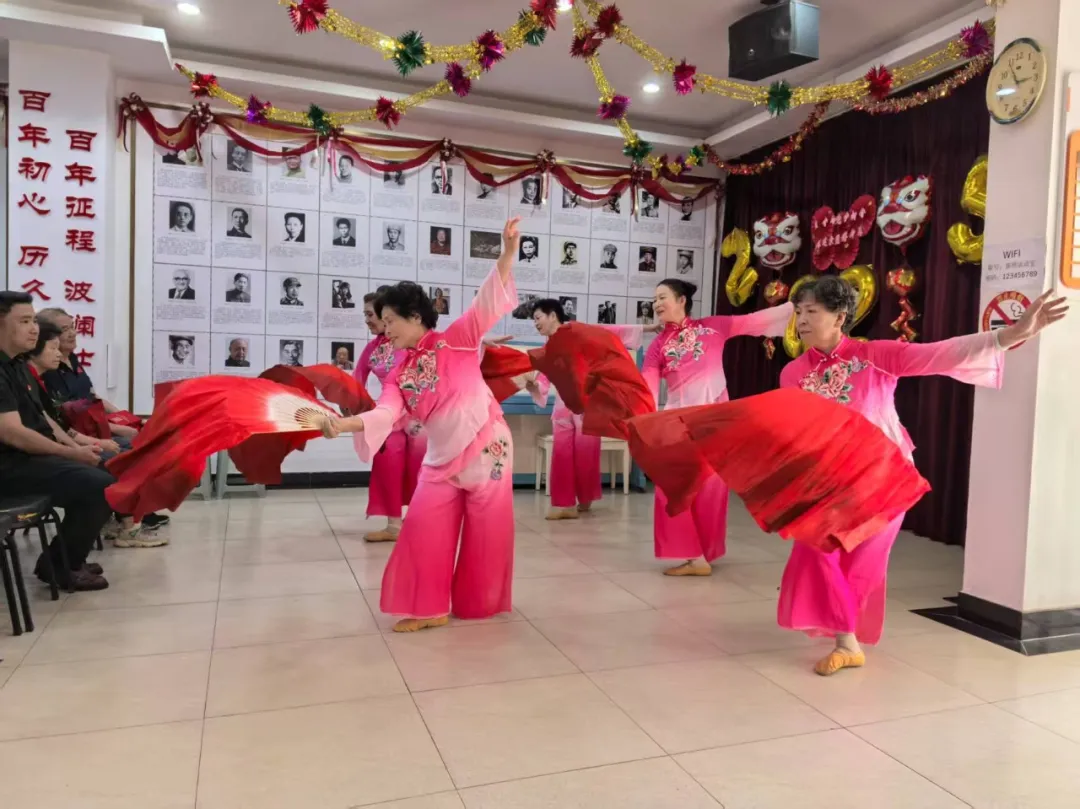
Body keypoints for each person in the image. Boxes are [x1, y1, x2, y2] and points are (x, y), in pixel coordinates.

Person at [778, 277, 1067, 675]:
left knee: (862, 562)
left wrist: (1010, 335)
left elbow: (940, 354)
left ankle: (846, 641)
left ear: (840, 317)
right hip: (827, 482)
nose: (802, 320)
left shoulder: (875, 355)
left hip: (884, 479)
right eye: (798, 312)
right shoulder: (793, 372)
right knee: (816, 552)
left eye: (812, 311)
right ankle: (844, 636)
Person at [323, 218, 523, 632]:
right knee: (422, 527)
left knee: (487, 530)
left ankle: (481, 603)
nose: (385, 329)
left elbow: (487, 299)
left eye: (390, 320)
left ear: (415, 317)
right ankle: (429, 607)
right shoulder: (399, 373)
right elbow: (385, 414)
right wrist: (343, 426)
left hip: (487, 446)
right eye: (382, 322)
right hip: (440, 459)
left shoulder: (458, 338)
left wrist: (507, 253)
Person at [641, 279, 793, 576]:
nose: (656, 304)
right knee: (671, 489)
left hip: (715, 424)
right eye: (654, 299)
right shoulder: (658, 345)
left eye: (662, 297)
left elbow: (754, 321)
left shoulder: (713, 327)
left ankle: (701, 556)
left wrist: (797, 307)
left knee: (710, 490)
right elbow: (647, 384)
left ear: (681, 300)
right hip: (678, 425)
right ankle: (694, 554)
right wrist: (643, 418)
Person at [0, 292, 112, 590]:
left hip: (26, 458)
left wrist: (76, 448)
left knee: (104, 470)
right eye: (24, 321)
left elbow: (42, 418)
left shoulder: (16, 365)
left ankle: (63, 558)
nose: (33, 329)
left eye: (33, 321)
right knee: (100, 486)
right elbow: (12, 433)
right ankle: (62, 566)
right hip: (9, 466)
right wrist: (71, 454)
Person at [28, 320, 166, 549]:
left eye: (72, 327)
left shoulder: (56, 370)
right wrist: (83, 447)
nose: (70, 335)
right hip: (42, 454)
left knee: (133, 451)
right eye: (53, 347)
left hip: (75, 440)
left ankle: (132, 516)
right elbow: (56, 427)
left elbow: (63, 422)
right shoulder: (36, 379)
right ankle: (127, 526)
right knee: (115, 463)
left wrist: (123, 421)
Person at [528, 299, 655, 520]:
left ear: (553, 315)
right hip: (562, 407)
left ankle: (584, 498)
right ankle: (565, 504)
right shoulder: (548, 348)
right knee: (561, 454)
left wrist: (648, 328)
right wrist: (534, 386)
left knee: (586, 453)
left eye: (538, 318)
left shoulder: (578, 331)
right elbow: (544, 380)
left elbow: (612, 331)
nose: (536, 323)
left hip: (588, 405)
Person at [353, 293, 429, 543]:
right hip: (389, 414)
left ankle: (420, 520)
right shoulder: (373, 348)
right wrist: (353, 403)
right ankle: (393, 525)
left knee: (422, 467)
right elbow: (357, 379)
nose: (367, 320)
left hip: (418, 415)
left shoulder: (411, 340)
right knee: (388, 466)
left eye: (370, 314)